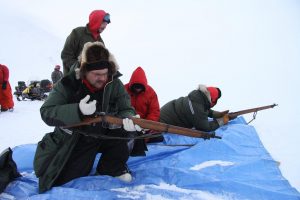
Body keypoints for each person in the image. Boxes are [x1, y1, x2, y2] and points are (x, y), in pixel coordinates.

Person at [34, 41, 142, 193]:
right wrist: (77, 110)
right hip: (77, 138)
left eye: (105, 73)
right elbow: (46, 112)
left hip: (104, 133)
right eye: (97, 74)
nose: (102, 78)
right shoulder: (68, 84)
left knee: (127, 132)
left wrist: (129, 118)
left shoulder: (114, 82)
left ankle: (111, 169)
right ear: (84, 71)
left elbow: (126, 108)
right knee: (68, 180)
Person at [160, 84, 232, 132]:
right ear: (212, 100)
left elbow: (203, 110)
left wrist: (217, 114)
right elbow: (205, 128)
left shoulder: (197, 97)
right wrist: (222, 121)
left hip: (163, 115)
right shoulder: (197, 107)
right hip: (160, 124)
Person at [61, 10, 110, 76]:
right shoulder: (78, 33)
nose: (105, 26)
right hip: (72, 80)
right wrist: (79, 69)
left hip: (90, 81)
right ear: (96, 20)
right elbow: (66, 55)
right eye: (103, 23)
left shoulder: (100, 42)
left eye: (106, 24)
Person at [124, 66, 162, 143]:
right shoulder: (123, 89)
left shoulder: (151, 93)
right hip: (126, 123)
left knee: (159, 137)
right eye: (136, 86)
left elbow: (154, 112)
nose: (138, 89)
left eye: (140, 87)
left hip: (144, 125)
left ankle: (142, 138)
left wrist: (146, 126)